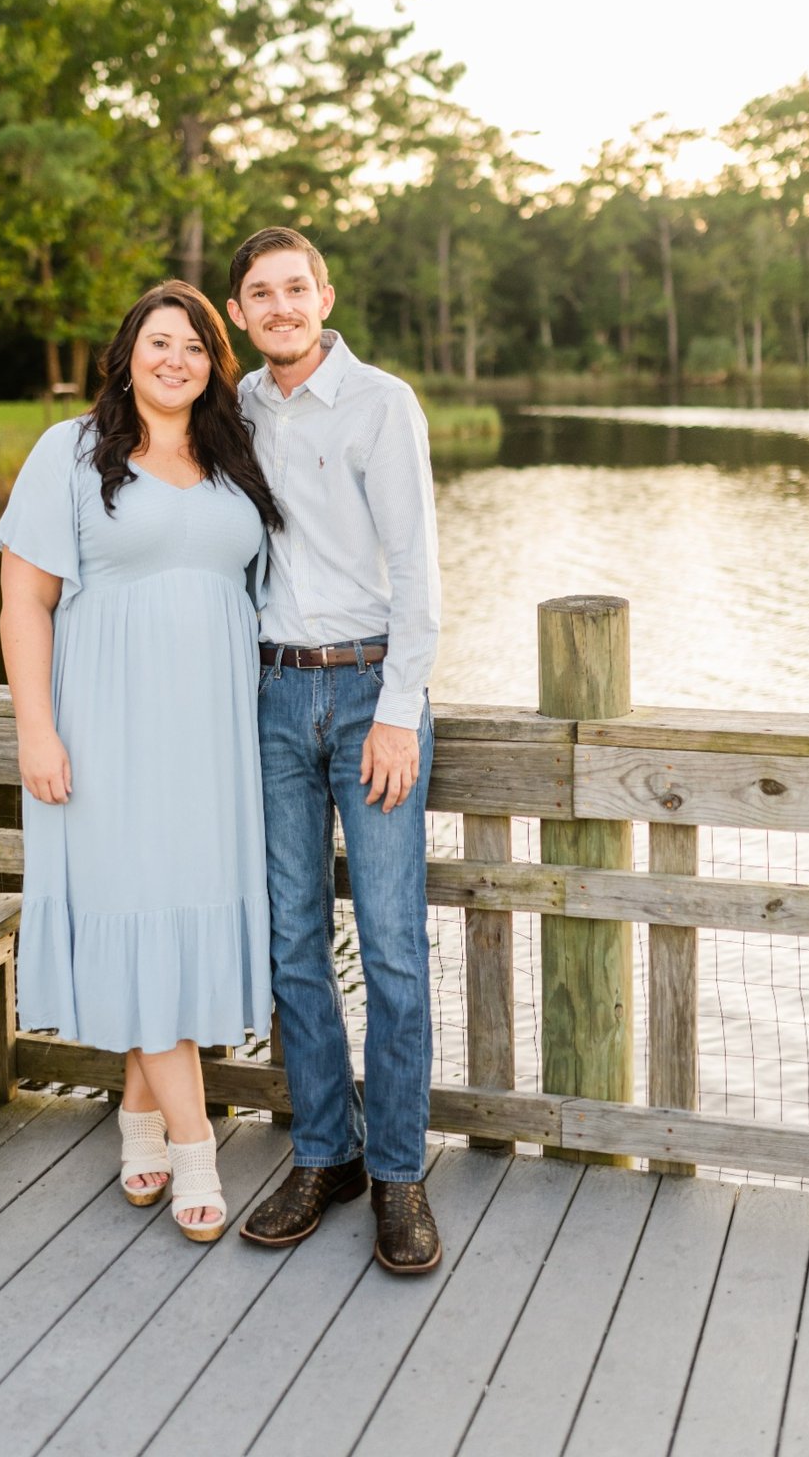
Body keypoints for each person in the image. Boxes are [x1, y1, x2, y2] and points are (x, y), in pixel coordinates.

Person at [0, 280, 282, 1241]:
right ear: (125, 357)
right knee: (141, 906)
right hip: (109, 729)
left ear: (214, 362)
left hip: (214, 738)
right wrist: (38, 731)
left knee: (176, 918)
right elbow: (23, 603)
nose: (176, 360)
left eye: (195, 346)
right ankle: (198, 1148)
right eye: (158, 343)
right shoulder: (71, 453)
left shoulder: (233, 453)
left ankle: (140, 1119)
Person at [226, 226, 443, 1275]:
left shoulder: (381, 404)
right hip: (272, 695)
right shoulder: (235, 411)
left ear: (325, 295)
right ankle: (327, 1152)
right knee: (294, 940)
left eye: (294, 288)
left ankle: (398, 1170)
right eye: (260, 293)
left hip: (369, 699)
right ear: (238, 312)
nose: (279, 306)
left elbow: (419, 574)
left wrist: (400, 708)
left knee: (395, 947)